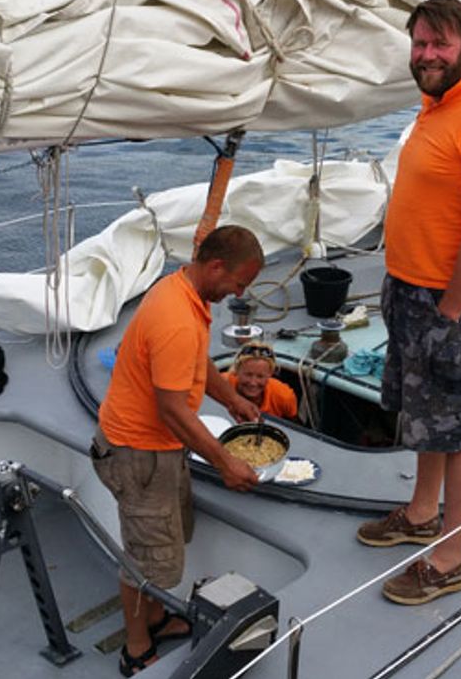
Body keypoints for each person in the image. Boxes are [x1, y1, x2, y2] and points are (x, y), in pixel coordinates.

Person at [356, 0, 461, 605]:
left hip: (446, 303)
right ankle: (422, 513)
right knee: (424, 413)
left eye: (440, 44)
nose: (426, 55)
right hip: (408, 291)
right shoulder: (436, 107)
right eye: (420, 43)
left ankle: (449, 558)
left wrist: (451, 312)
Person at [91, 224, 265, 676]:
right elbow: (171, 409)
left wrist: (231, 398)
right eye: (238, 284)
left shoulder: (185, 294)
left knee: (164, 547)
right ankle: (135, 649)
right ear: (215, 266)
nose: (237, 294)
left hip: (158, 449)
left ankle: (153, 617)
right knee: (144, 560)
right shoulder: (175, 318)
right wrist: (226, 463)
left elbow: (196, 361)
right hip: (138, 455)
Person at [221, 341, 298, 420]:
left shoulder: (284, 396)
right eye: (248, 375)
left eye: (260, 376)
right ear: (236, 371)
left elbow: (294, 426)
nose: (253, 383)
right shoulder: (221, 385)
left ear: (270, 375)